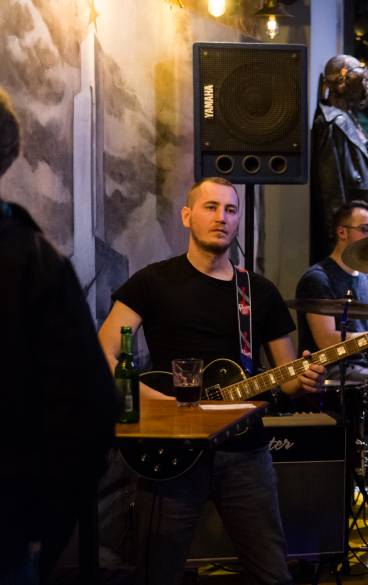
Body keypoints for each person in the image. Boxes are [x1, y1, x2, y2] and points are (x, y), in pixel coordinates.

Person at [96, 177, 324, 585]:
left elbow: (287, 379)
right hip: (170, 451)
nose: (222, 217)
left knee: (272, 574)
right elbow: (104, 355)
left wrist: (304, 377)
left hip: (245, 452)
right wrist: (162, 406)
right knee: (158, 574)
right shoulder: (152, 282)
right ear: (187, 216)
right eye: (211, 207)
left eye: (231, 210)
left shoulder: (258, 291)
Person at [0, 87, 119, 584]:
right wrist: (40, 530)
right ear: (10, 154)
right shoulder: (34, 261)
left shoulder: (34, 262)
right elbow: (89, 411)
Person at [310, 54, 368, 263]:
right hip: (353, 231)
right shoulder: (334, 123)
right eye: (361, 79)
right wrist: (336, 235)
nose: (366, 86)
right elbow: (331, 188)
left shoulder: (350, 121)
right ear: (343, 82)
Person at [295, 200, 368, 391]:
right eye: (365, 229)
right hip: (330, 374)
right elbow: (326, 342)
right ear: (342, 232)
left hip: (364, 369)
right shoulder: (318, 278)